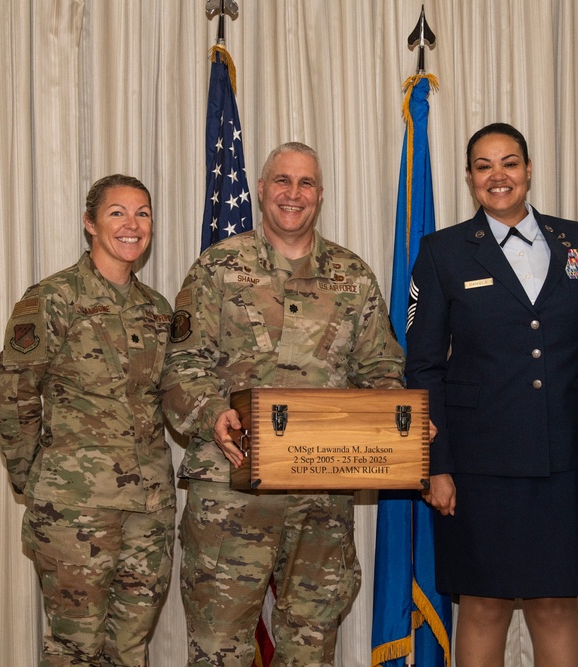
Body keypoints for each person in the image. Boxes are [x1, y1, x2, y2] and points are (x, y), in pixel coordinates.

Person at [164, 142, 405, 666]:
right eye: (282, 181)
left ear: (319, 194)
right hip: (231, 491)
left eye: (306, 184)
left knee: (310, 649)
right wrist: (213, 413)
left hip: (322, 494)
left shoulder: (352, 275)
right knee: (218, 650)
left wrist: (398, 425)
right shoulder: (217, 269)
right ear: (262, 189)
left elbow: (382, 370)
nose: (293, 195)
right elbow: (181, 369)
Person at [405, 123, 578, 666]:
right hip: (477, 463)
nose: (499, 176)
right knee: (483, 605)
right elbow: (422, 365)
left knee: (556, 605)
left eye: (509, 162)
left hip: (564, 460)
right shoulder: (442, 251)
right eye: (484, 166)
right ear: (469, 178)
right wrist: (435, 464)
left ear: (529, 169)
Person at [0, 174, 180, 667]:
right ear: (89, 224)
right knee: (75, 648)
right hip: (75, 509)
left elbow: (172, 397)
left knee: (129, 648)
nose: (132, 224)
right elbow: (13, 394)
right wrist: (34, 479)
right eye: (117, 212)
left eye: (142, 213)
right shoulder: (52, 299)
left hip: (150, 506)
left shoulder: (158, 311)